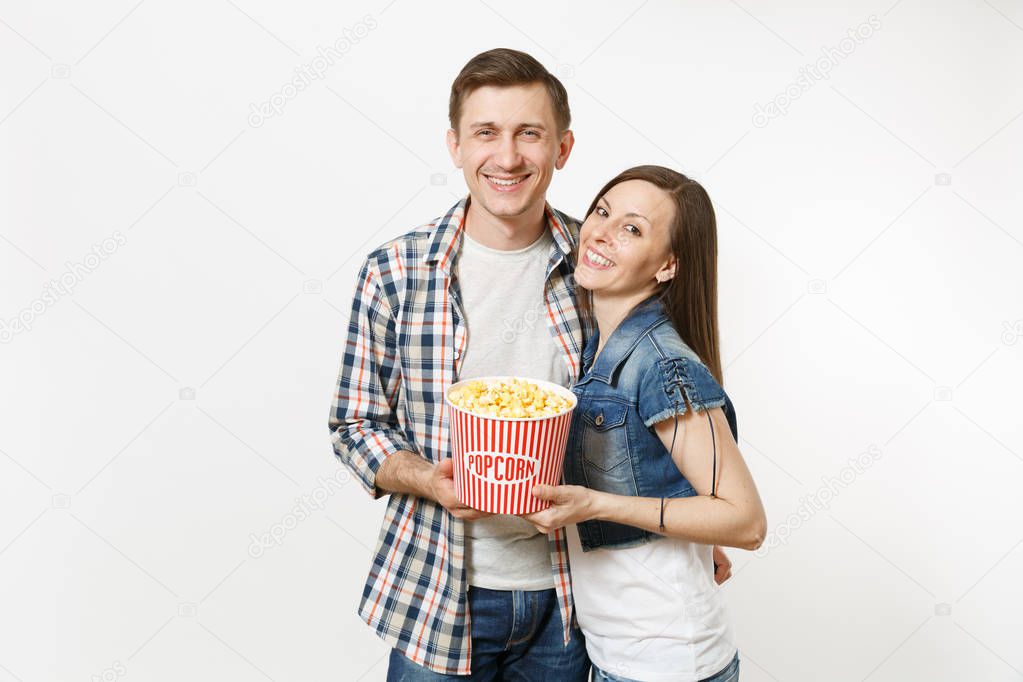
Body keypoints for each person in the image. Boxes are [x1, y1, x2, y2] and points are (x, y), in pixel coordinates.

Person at [329, 48, 591, 679]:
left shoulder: (599, 267)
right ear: (454, 145)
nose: (507, 158)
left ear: (563, 147)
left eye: (529, 133)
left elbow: (651, 413)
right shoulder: (396, 271)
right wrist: (429, 480)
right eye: (486, 133)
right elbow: (354, 425)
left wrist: (691, 529)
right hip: (438, 591)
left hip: (576, 597)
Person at [523, 166, 768, 682]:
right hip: (620, 655)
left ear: (667, 265)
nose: (601, 233)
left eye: (632, 229)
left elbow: (746, 521)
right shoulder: (596, 348)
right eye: (602, 212)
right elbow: (667, 477)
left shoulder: (660, 362)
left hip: (667, 662)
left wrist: (596, 505)